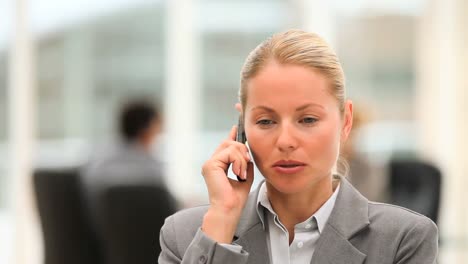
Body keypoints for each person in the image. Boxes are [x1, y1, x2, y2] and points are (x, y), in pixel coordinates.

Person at [158, 30, 438, 264]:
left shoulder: (402, 239)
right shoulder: (184, 236)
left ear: (346, 121)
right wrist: (222, 219)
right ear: (243, 126)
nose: (286, 141)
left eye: (307, 119)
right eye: (266, 121)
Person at [81, 99, 169, 227]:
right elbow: (166, 213)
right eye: (158, 126)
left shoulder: (95, 160)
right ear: (146, 128)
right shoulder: (150, 171)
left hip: (101, 238)